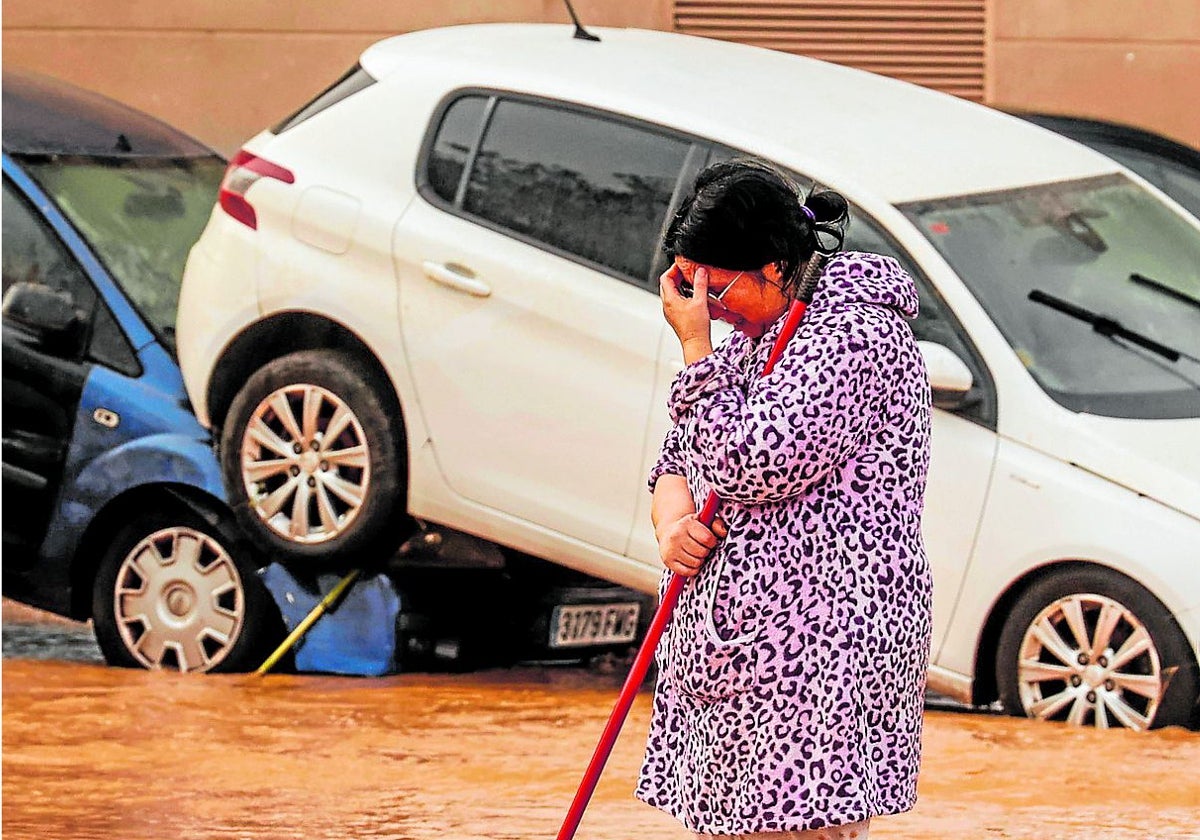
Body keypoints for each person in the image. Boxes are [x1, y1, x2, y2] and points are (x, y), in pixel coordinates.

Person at [635, 159, 933, 840]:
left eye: (714, 286)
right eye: (685, 287)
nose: (700, 306)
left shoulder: (855, 336)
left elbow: (750, 463)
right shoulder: (752, 339)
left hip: (818, 661)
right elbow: (675, 462)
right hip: (737, 660)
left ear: (773, 266)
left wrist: (693, 347)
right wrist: (673, 523)